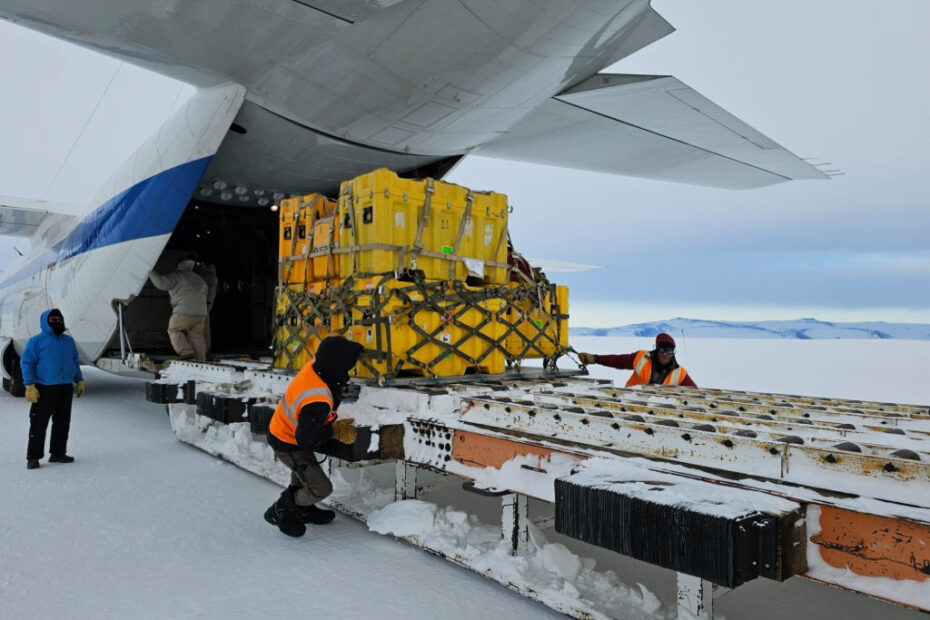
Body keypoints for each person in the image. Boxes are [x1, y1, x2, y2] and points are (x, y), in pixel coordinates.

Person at [264, 336, 364, 537]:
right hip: (288, 442)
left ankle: (303, 509)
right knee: (320, 488)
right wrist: (334, 430)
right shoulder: (316, 398)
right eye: (348, 367)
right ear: (337, 366)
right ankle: (281, 510)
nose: (349, 372)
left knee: (302, 479)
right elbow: (306, 438)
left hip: (287, 431)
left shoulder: (315, 367)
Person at [21, 309, 85, 470]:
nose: (57, 322)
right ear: (45, 321)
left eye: (59, 319)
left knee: (62, 422)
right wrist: (29, 385)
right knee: (38, 423)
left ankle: (58, 453)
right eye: (53, 319)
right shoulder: (37, 341)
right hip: (44, 388)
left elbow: (74, 361)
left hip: (65, 387)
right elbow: (27, 362)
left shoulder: (68, 341)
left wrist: (79, 379)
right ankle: (33, 457)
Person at [578, 332, 697, 387]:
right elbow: (617, 361)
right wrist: (595, 358)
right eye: (662, 350)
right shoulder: (642, 358)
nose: (665, 354)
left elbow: (695, 394)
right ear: (656, 349)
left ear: (673, 353)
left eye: (669, 351)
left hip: (658, 412)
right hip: (629, 404)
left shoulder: (680, 373)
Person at [149, 256, 209, 361]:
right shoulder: (200, 279)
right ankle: (201, 360)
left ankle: (187, 353)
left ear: (179, 265)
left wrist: (149, 271)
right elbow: (206, 294)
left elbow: (161, 283)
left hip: (184, 311)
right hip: (201, 313)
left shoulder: (177, 276)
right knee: (197, 337)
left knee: (173, 329)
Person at [194, 261, 218, 355]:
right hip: (207, 301)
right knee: (204, 324)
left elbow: (197, 284)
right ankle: (205, 347)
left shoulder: (207, 275)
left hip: (205, 302)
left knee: (204, 326)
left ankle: (205, 348)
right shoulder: (211, 274)